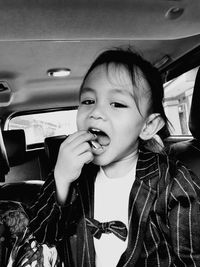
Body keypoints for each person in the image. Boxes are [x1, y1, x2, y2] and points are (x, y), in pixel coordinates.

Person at [29, 48, 200, 267]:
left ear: (148, 126)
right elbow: (43, 236)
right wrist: (61, 178)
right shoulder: (74, 175)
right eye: (88, 101)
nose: (96, 112)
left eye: (117, 104)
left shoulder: (174, 183)